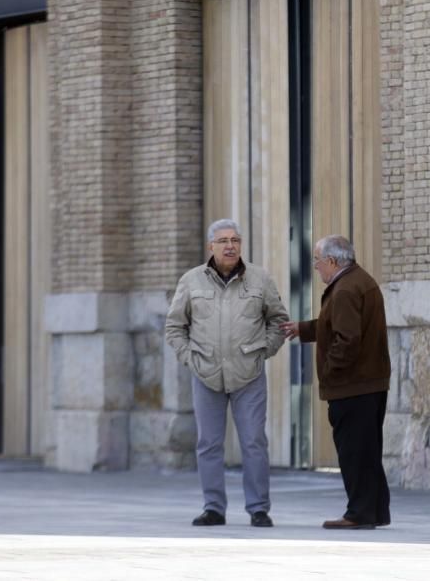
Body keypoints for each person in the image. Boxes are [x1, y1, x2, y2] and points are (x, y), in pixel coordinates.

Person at [165, 219, 289, 528]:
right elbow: (174, 327)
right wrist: (189, 358)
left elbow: (278, 320)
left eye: (235, 240)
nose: (230, 245)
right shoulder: (191, 281)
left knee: (254, 442)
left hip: (249, 375)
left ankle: (259, 508)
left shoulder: (259, 280)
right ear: (211, 246)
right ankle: (213, 508)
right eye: (223, 241)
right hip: (206, 374)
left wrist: (265, 350)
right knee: (208, 444)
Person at [280, 235, 391, 530]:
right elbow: (336, 326)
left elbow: (347, 339)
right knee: (367, 451)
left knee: (354, 452)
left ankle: (358, 514)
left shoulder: (344, 290)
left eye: (317, 261)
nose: (316, 268)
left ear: (331, 261)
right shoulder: (358, 281)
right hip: (369, 384)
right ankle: (374, 512)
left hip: (353, 387)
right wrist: (303, 329)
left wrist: (330, 373)